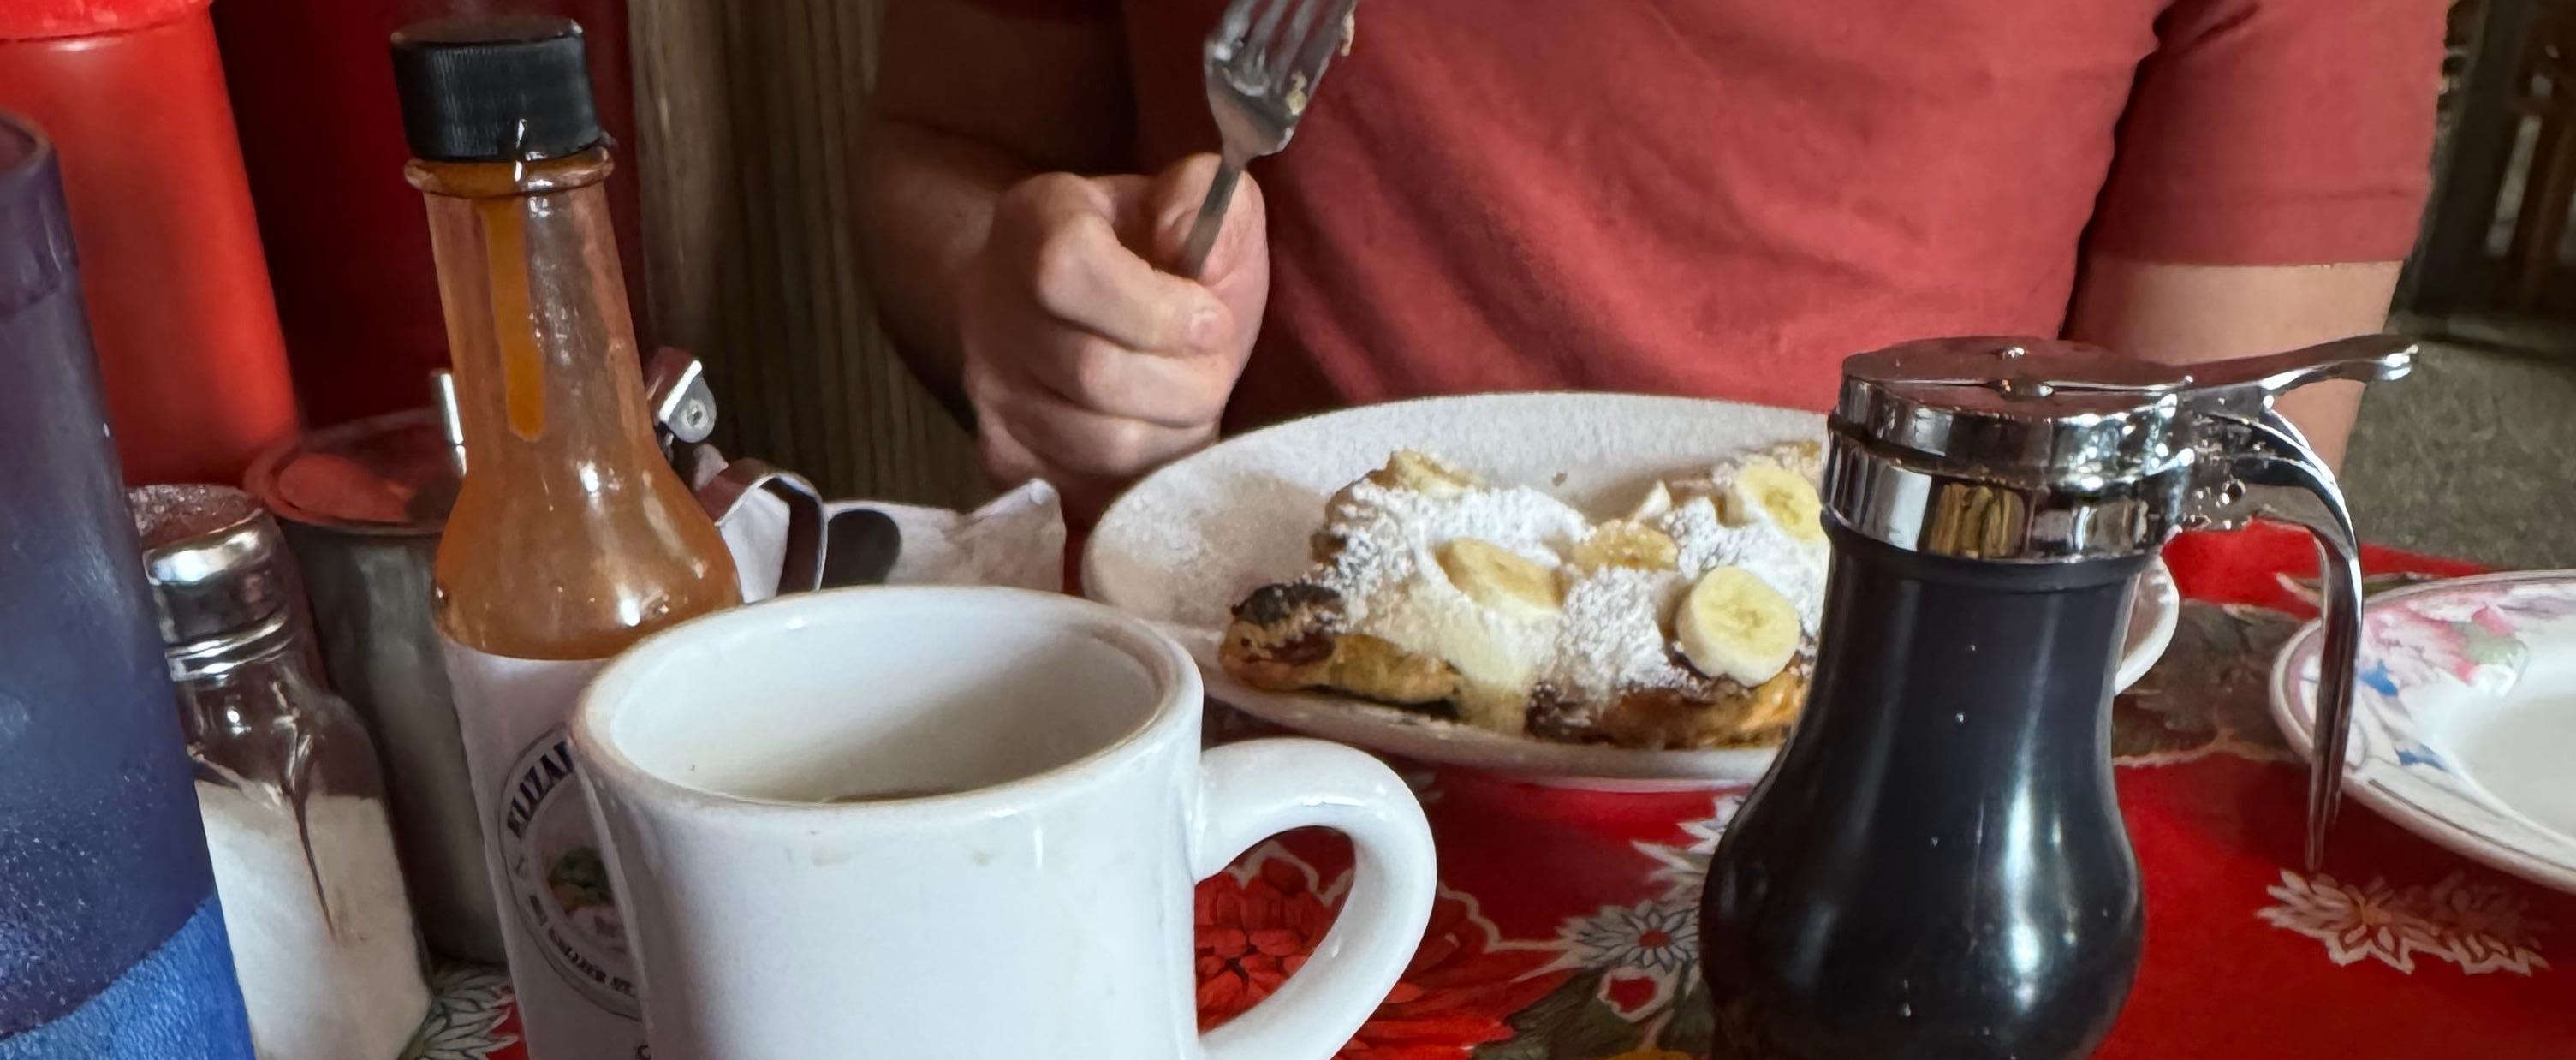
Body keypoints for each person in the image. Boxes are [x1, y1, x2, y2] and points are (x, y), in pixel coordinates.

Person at [856, 0, 2444, 516]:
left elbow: (2209, 484)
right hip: (1236, 742)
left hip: (1909, 774)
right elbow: (940, 157)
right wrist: (1013, 301)